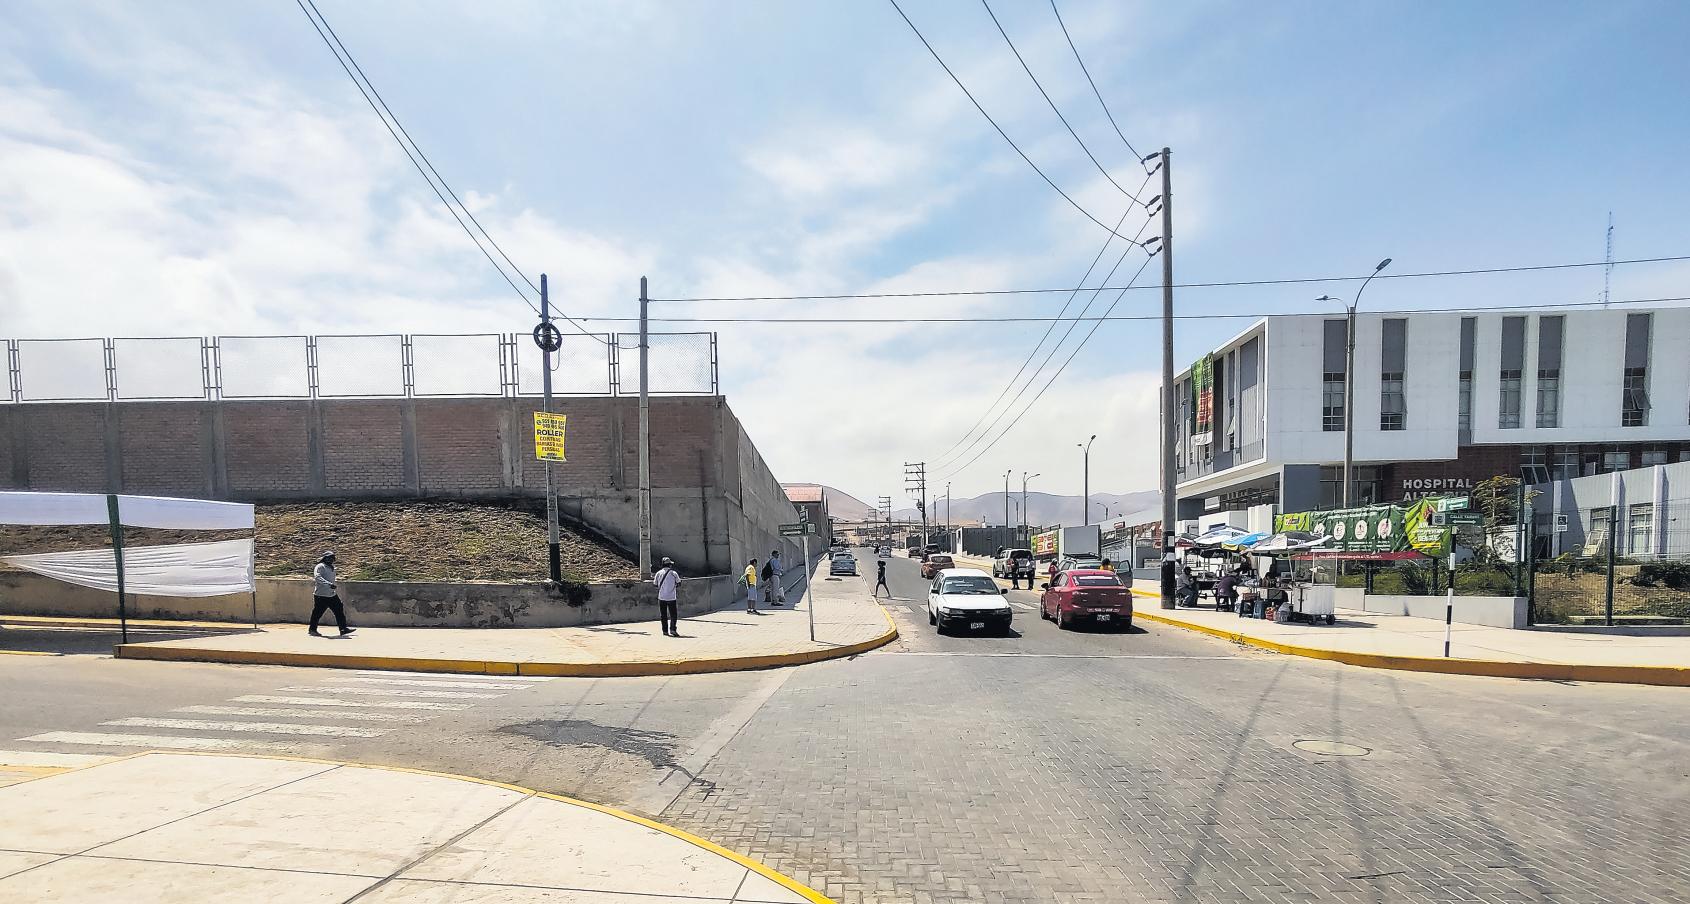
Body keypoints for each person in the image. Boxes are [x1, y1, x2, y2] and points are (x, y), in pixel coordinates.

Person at [309, 551, 355, 637]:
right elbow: (318, 577)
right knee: (317, 613)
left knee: (339, 610)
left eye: (332, 558)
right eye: (329, 558)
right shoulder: (320, 566)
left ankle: (343, 629)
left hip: (331, 594)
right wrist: (329, 584)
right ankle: (312, 630)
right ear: (324, 558)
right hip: (321, 595)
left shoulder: (331, 568)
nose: (331, 560)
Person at [653, 557, 681, 637]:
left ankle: (665, 631)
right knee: (673, 615)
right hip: (671, 597)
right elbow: (679, 583)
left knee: (663, 615)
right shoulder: (674, 573)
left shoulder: (658, 573)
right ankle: (673, 629)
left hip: (661, 597)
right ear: (670, 565)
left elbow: (655, 584)